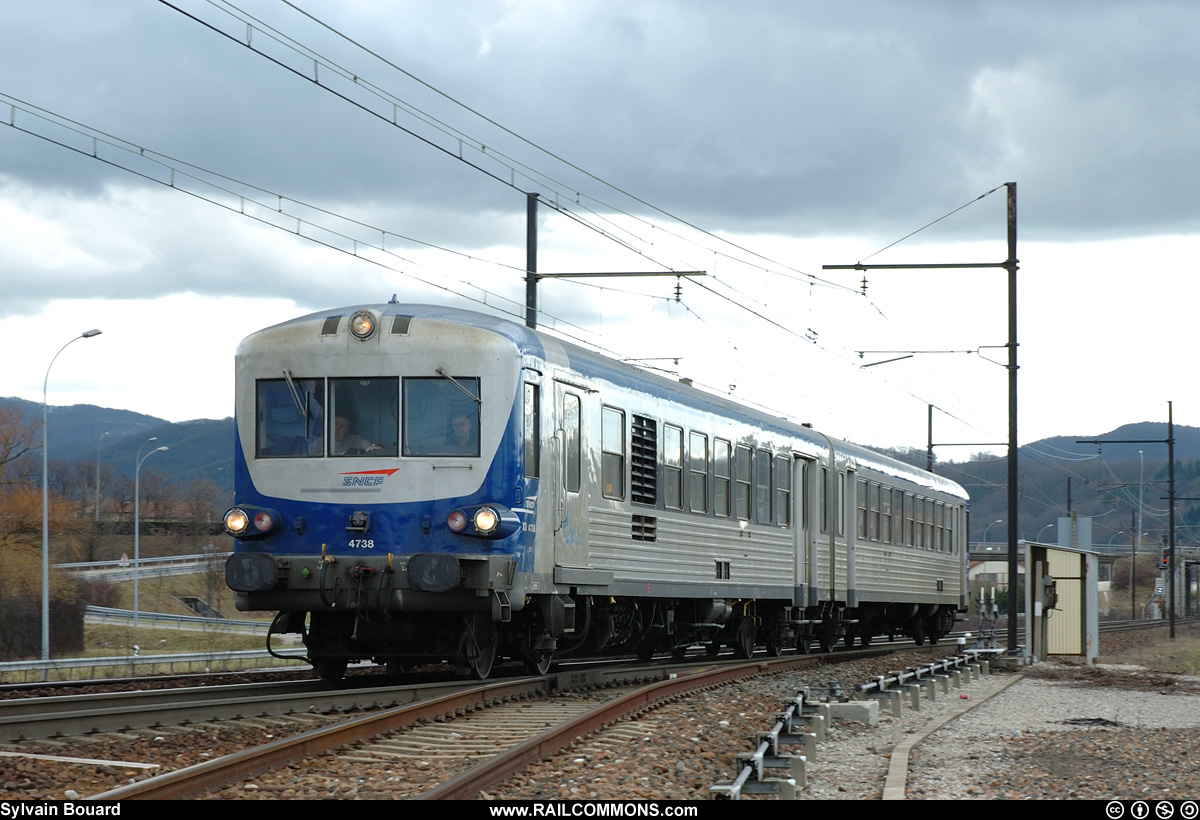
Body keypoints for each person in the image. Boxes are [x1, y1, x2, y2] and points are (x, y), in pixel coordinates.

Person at [311, 415, 381, 455]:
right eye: (336, 424)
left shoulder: (354, 439)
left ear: (347, 430)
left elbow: (369, 447)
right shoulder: (320, 442)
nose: (337, 428)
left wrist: (371, 447)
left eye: (342, 426)